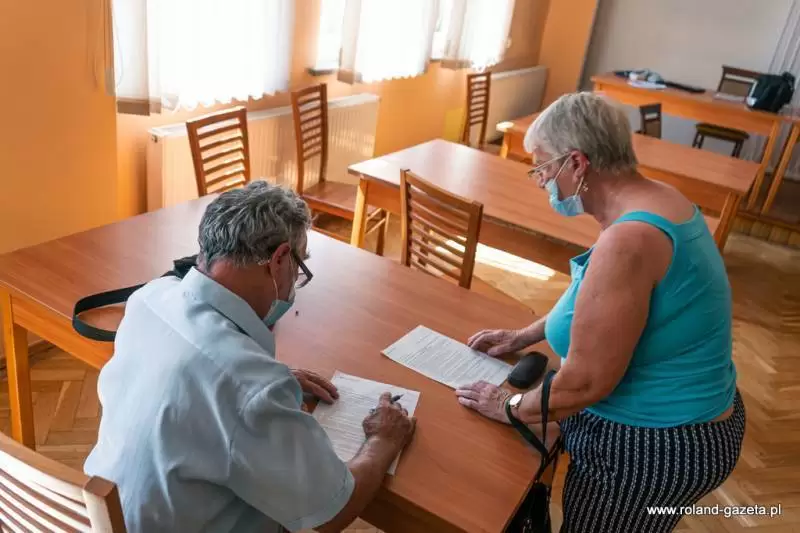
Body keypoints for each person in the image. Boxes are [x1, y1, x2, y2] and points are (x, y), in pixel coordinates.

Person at [455, 92, 745, 532]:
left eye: (542, 167)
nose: (541, 181)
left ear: (577, 163)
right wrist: (525, 336)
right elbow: (591, 297)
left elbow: (587, 383)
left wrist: (509, 404)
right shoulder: (657, 200)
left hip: (656, 445)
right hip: (693, 421)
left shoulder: (630, 239)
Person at [84, 181, 415, 533]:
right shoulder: (250, 385)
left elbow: (196, 379)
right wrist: (383, 440)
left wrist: (261, 384)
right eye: (298, 270)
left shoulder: (150, 298)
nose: (294, 284)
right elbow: (334, 511)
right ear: (279, 259)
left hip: (111, 517)